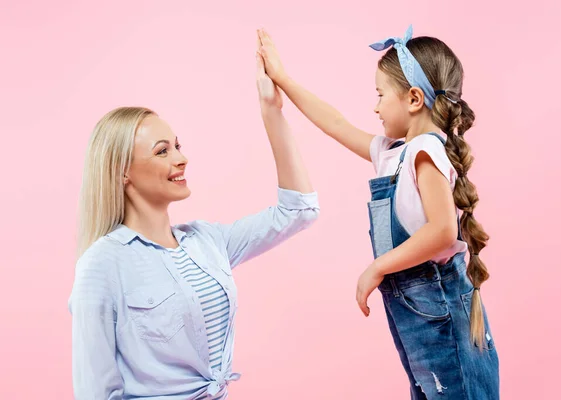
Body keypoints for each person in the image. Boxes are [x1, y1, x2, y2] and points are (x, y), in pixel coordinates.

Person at [257, 25, 499, 399]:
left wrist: (378, 267)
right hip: (415, 309)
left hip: (439, 306)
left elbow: (442, 231)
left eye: (381, 95)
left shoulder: (425, 152)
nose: (375, 106)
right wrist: (283, 80)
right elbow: (335, 124)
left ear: (414, 98)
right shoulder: (394, 153)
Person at [68, 40, 319, 400]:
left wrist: (271, 110)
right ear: (123, 171)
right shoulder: (102, 264)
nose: (181, 158)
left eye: (177, 145)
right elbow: (95, 392)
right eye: (162, 151)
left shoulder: (207, 242)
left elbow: (299, 211)